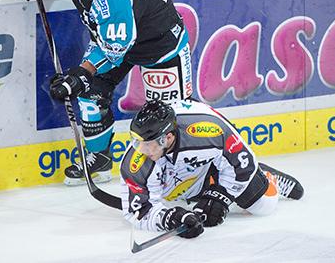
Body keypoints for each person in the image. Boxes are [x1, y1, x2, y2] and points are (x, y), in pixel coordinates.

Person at [20, 0, 192, 186]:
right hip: (116, 39)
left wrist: (81, 73)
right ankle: (99, 158)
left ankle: (189, 169)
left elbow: (114, 50)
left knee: (168, 117)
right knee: (90, 93)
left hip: (160, 45)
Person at [120, 99, 304, 237]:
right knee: (180, 196)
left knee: (264, 207)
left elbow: (242, 163)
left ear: (167, 137)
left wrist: (221, 196)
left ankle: (266, 176)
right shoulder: (136, 161)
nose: (142, 150)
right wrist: (171, 219)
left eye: (148, 144)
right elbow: (139, 211)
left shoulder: (209, 131)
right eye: (137, 142)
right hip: (186, 177)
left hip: (216, 164)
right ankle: (205, 186)